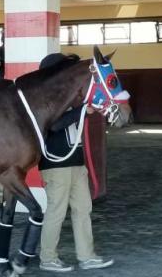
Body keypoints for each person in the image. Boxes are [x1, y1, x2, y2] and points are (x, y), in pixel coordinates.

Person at [38, 54, 114, 273]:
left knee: (83, 209)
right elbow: (53, 125)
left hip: (75, 162)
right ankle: (48, 258)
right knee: (56, 212)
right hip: (56, 164)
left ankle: (86, 256)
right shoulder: (46, 99)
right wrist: (82, 112)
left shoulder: (69, 97)